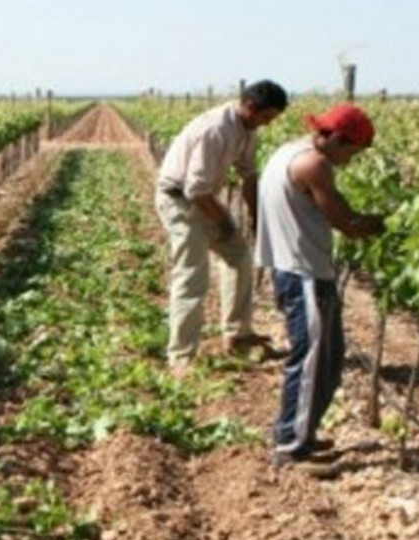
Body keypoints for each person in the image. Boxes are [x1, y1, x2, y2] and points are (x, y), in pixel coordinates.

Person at [254, 103, 387, 472]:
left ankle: (303, 433)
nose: (351, 160)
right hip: (305, 276)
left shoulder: (288, 151)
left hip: (297, 271)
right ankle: (291, 447)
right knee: (311, 361)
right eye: (353, 151)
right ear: (338, 139)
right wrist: (391, 224)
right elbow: (347, 222)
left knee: (328, 360)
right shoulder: (315, 165)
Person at [155, 80, 288, 373]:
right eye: (266, 117)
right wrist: (224, 220)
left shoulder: (246, 128)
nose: (266, 124)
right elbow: (196, 190)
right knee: (192, 278)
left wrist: (256, 215)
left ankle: (238, 335)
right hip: (180, 202)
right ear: (250, 107)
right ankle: (181, 358)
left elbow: (248, 174)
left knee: (240, 257)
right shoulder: (216, 130)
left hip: (203, 200)